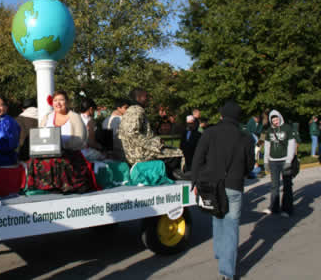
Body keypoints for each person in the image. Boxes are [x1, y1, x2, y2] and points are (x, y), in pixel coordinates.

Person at [191, 100, 254, 280]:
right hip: (234, 185)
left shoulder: (210, 133)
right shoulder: (246, 137)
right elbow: (249, 166)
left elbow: (198, 158)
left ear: (221, 116)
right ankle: (226, 271)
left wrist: (194, 182)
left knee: (217, 217)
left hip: (211, 184)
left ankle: (220, 253)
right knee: (231, 225)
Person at [27, 90, 94, 193]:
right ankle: (43, 186)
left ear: (67, 102)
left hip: (70, 153)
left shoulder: (74, 117)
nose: (58, 103)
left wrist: (62, 146)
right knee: (33, 161)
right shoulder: (47, 117)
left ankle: (62, 187)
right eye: (55, 100)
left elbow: (80, 140)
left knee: (59, 161)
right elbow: (40, 136)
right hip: (49, 153)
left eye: (61, 100)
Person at [118, 88, 185, 171]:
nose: (148, 99)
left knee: (171, 151)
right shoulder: (137, 111)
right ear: (138, 98)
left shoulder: (130, 111)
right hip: (139, 153)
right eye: (146, 96)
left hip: (134, 152)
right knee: (178, 153)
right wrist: (155, 144)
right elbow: (131, 133)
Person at [263, 110, 296, 217]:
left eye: (276, 119)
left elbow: (292, 145)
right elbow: (267, 146)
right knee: (274, 185)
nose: (275, 121)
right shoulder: (269, 131)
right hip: (273, 161)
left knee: (287, 186)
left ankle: (287, 209)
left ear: (280, 118)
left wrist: (288, 161)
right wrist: (265, 161)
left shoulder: (287, 128)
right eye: (273, 120)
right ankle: (274, 207)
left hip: (284, 160)